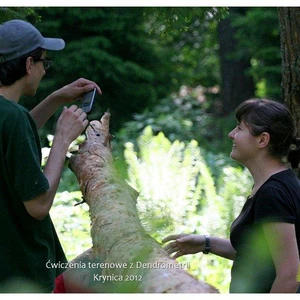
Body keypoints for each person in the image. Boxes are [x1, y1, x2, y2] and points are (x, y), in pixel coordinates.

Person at [0, 19, 101, 292]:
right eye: (44, 62)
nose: (45, 70)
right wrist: (62, 141)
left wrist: (56, 98)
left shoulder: (9, 117)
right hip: (23, 273)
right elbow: (38, 205)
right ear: (28, 65)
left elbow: (15, 137)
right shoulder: (14, 118)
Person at [163, 98, 300, 293]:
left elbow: (289, 276)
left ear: (262, 140)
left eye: (239, 129)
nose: (231, 134)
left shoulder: (274, 193)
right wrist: (206, 243)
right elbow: (258, 256)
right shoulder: (269, 186)